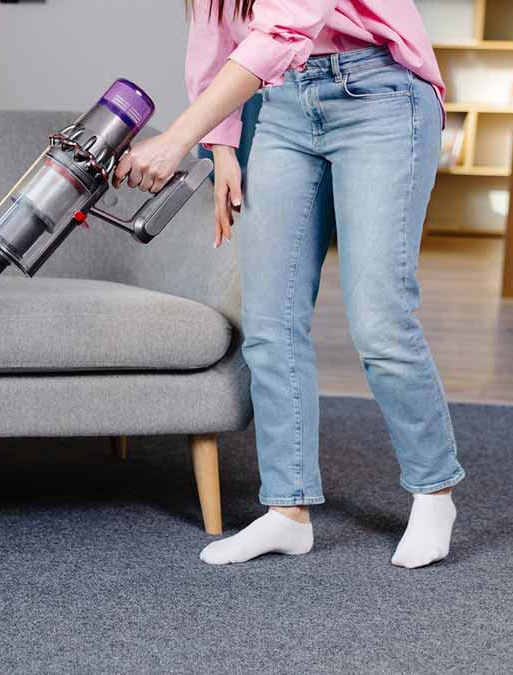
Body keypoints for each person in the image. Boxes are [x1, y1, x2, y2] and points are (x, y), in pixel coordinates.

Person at [116, 0, 464, 568]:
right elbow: (213, 33)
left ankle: (433, 492)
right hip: (281, 105)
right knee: (269, 324)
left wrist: (177, 138)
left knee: (380, 320)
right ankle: (287, 511)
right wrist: (222, 147)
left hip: (380, 94)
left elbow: (281, 28)